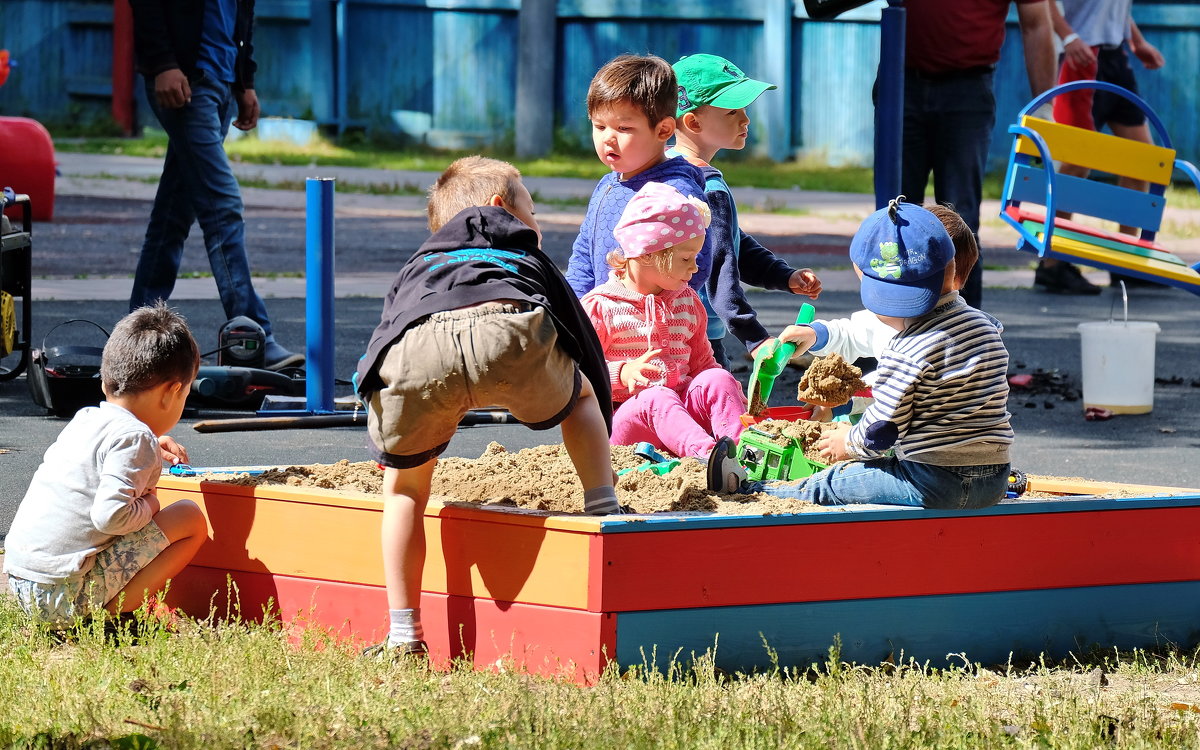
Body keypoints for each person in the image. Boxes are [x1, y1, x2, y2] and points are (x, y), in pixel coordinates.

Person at [355, 156, 621, 658]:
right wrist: (595, 393)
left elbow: (388, 329)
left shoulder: (420, 263)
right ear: (502, 210)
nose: (537, 224)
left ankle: (403, 635)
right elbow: (578, 329)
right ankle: (603, 507)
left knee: (405, 490)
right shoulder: (523, 255)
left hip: (419, 346)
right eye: (534, 213)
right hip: (508, 329)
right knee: (581, 394)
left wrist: (380, 416)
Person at [710, 199, 1013, 509]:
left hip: (933, 479)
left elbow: (882, 430)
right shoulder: (985, 326)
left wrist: (848, 443)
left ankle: (749, 488)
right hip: (994, 479)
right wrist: (820, 336)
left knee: (835, 481)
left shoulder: (907, 347)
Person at [4, 303, 208, 626]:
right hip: (61, 597)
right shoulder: (136, 438)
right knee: (190, 518)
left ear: (106, 381)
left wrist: (152, 446)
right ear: (171, 393)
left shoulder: (86, 419)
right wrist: (151, 504)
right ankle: (113, 617)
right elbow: (110, 516)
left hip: (21, 584)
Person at [128, 0, 302, 370]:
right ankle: (255, 335)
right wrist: (162, 63)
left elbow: (242, 15)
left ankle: (135, 338)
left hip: (221, 84)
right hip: (187, 82)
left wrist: (244, 81)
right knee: (222, 206)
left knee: (172, 216)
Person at [896, 0, 1058, 310]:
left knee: (961, 223)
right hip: (901, 82)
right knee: (895, 217)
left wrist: (1045, 106)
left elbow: (1036, 23)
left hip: (968, 89)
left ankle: (968, 339)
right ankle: (889, 339)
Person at [670, 53, 823, 368]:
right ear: (693, 122)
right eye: (732, 111)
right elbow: (721, 266)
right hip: (699, 342)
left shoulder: (666, 172)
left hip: (666, 329)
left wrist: (783, 275)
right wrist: (754, 337)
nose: (746, 120)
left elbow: (731, 245)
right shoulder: (709, 189)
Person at [581, 181, 748, 468]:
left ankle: (742, 452)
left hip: (681, 416)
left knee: (718, 378)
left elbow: (702, 365)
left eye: (695, 257)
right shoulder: (601, 307)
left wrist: (728, 392)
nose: (695, 267)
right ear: (647, 254)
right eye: (686, 258)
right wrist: (622, 373)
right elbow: (576, 374)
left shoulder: (687, 302)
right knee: (656, 396)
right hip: (626, 426)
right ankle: (710, 459)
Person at [566, 54, 723, 351]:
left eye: (624, 129)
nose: (608, 139)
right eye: (599, 127)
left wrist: (643, 310)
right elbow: (584, 256)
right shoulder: (608, 185)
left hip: (656, 338)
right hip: (604, 332)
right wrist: (576, 314)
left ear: (663, 130)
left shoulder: (677, 192)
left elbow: (695, 265)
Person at [776, 203, 982, 420]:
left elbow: (889, 389)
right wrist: (817, 335)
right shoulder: (893, 314)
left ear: (954, 278)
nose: (891, 306)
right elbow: (854, 333)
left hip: (922, 436)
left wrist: (841, 405)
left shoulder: (938, 338)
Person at [1035, 0, 1166, 293]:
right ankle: (1051, 265)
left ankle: (1126, 261)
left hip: (1115, 57)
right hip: (1082, 57)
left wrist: (1137, 40)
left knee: (1141, 159)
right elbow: (1045, 5)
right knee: (1076, 162)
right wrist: (1069, 38)